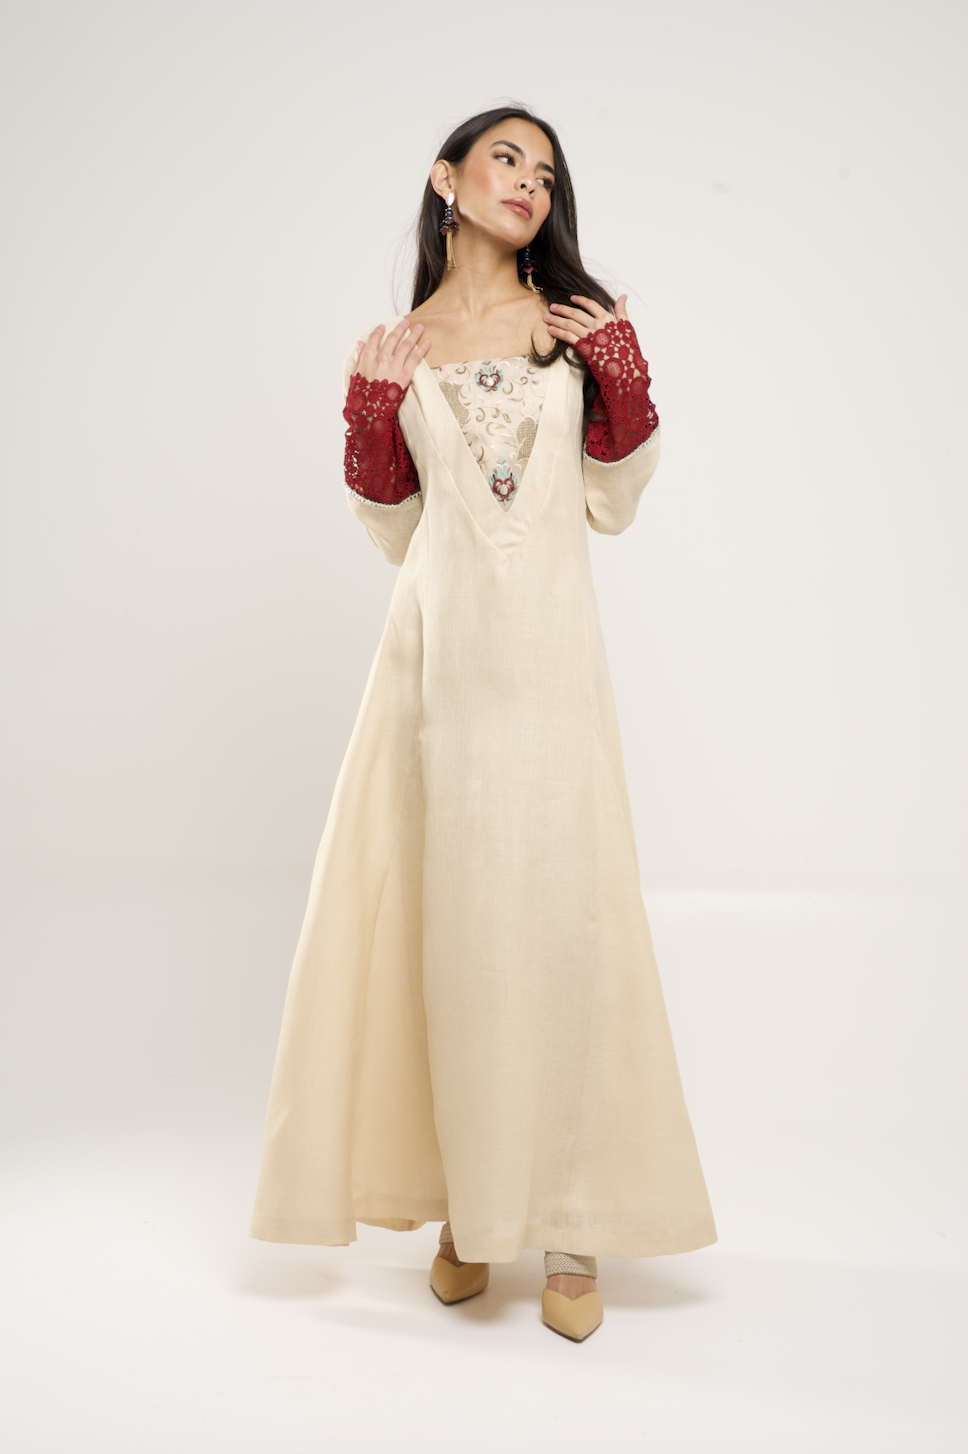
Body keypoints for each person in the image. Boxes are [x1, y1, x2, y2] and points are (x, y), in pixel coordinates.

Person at [250, 104, 716, 1342]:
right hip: (437, 667)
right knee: (452, 928)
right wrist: (368, 413)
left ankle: (569, 1217)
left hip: (551, 662)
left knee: (564, 921)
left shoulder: (572, 330)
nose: (529, 184)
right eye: (506, 158)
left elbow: (612, 500)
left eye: (546, 173)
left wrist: (621, 373)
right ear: (445, 178)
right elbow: (399, 532)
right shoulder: (396, 347)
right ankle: (470, 1201)